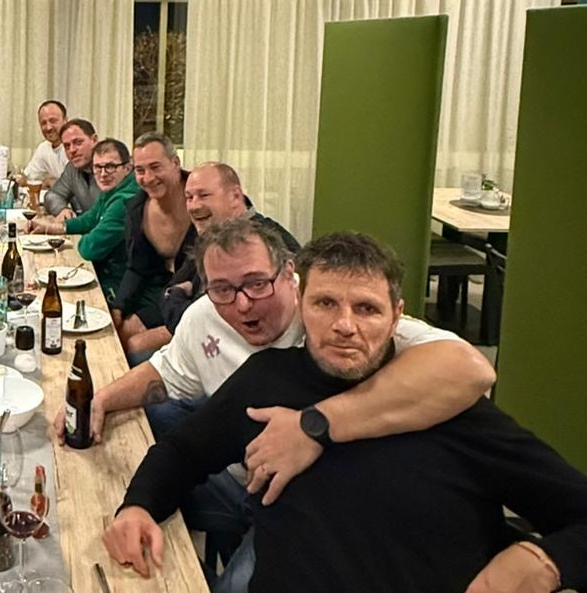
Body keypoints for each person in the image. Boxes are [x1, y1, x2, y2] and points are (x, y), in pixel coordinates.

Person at [102, 229, 586, 593]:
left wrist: (543, 561)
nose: (345, 325)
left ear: (397, 317)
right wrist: (138, 506)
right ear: (301, 304)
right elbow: (184, 452)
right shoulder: (268, 377)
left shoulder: (454, 411)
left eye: (367, 309)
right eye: (326, 304)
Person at [161, 162, 300, 334]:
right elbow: (170, 293)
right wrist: (175, 296)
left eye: (204, 195)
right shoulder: (208, 235)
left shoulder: (270, 243)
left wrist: (176, 297)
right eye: (189, 197)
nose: (194, 206)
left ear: (235, 196)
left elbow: (210, 323)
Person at [30, 139, 138, 305]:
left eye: (110, 167)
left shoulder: (124, 200)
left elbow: (89, 248)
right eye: (98, 167)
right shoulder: (114, 189)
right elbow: (89, 219)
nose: (103, 174)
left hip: (119, 287)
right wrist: (53, 228)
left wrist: (85, 236)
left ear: (127, 168)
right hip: (106, 275)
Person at [112, 132, 190, 352]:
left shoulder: (199, 199)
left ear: (175, 163)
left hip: (196, 300)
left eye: (156, 167)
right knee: (116, 334)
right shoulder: (137, 209)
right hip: (160, 293)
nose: (148, 178)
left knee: (133, 345)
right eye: (140, 170)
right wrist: (118, 308)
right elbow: (137, 267)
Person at [43, 118, 101, 218]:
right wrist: (61, 210)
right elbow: (53, 195)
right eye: (67, 146)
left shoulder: (112, 167)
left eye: (78, 142)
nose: (72, 150)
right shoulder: (72, 169)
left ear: (94, 140)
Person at [23, 99, 69, 185]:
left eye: (53, 121)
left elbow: (78, 185)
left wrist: (53, 182)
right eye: (43, 123)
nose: (48, 127)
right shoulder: (44, 148)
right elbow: (27, 176)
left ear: (65, 121)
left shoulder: (74, 147)